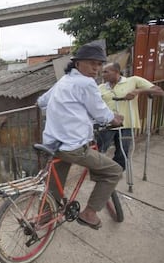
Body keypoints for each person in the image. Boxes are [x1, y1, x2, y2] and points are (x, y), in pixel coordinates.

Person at [37, 43, 124, 230]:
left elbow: (41, 102)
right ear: (78, 64)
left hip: (53, 143)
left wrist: (63, 111)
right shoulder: (86, 83)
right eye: (92, 63)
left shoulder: (64, 80)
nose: (96, 68)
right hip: (73, 147)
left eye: (100, 65)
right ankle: (89, 213)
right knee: (113, 171)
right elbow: (101, 113)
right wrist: (114, 118)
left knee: (54, 186)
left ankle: (44, 217)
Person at [97, 62, 164, 170]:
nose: (102, 75)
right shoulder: (101, 87)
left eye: (106, 72)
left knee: (123, 152)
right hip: (107, 124)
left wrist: (137, 91)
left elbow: (159, 91)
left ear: (116, 72)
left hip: (126, 124)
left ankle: (116, 173)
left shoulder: (133, 80)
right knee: (100, 151)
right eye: (102, 72)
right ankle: (104, 172)